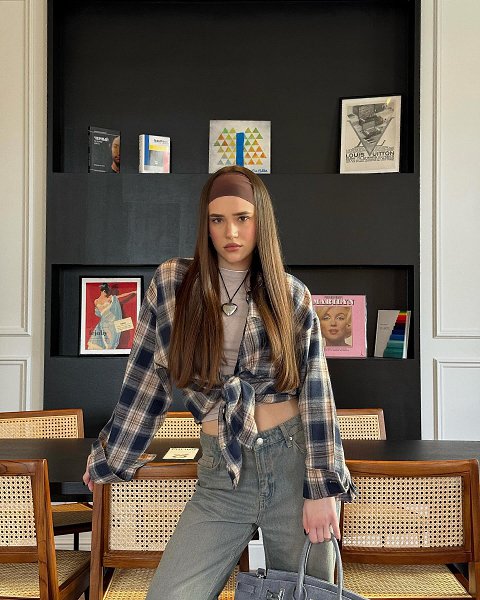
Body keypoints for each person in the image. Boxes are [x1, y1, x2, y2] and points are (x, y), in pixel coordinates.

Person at [83, 165, 355, 600]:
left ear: (260, 222)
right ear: (205, 224)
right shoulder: (174, 284)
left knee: (308, 595)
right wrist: (112, 457)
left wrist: (321, 487)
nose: (230, 232)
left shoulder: (291, 294)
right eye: (217, 219)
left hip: (291, 463)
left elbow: (316, 393)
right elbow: (146, 378)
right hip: (220, 471)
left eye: (243, 218)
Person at [87, 283, 136, 350]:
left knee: (110, 342)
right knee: (100, 341)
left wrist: (133, 292)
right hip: (103, 323)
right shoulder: (96, 301)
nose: (108, 293)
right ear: (103, 291)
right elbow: (98, 313)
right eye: (107, 291)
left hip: (111, 323)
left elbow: (122, 296)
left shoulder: (110, 298)